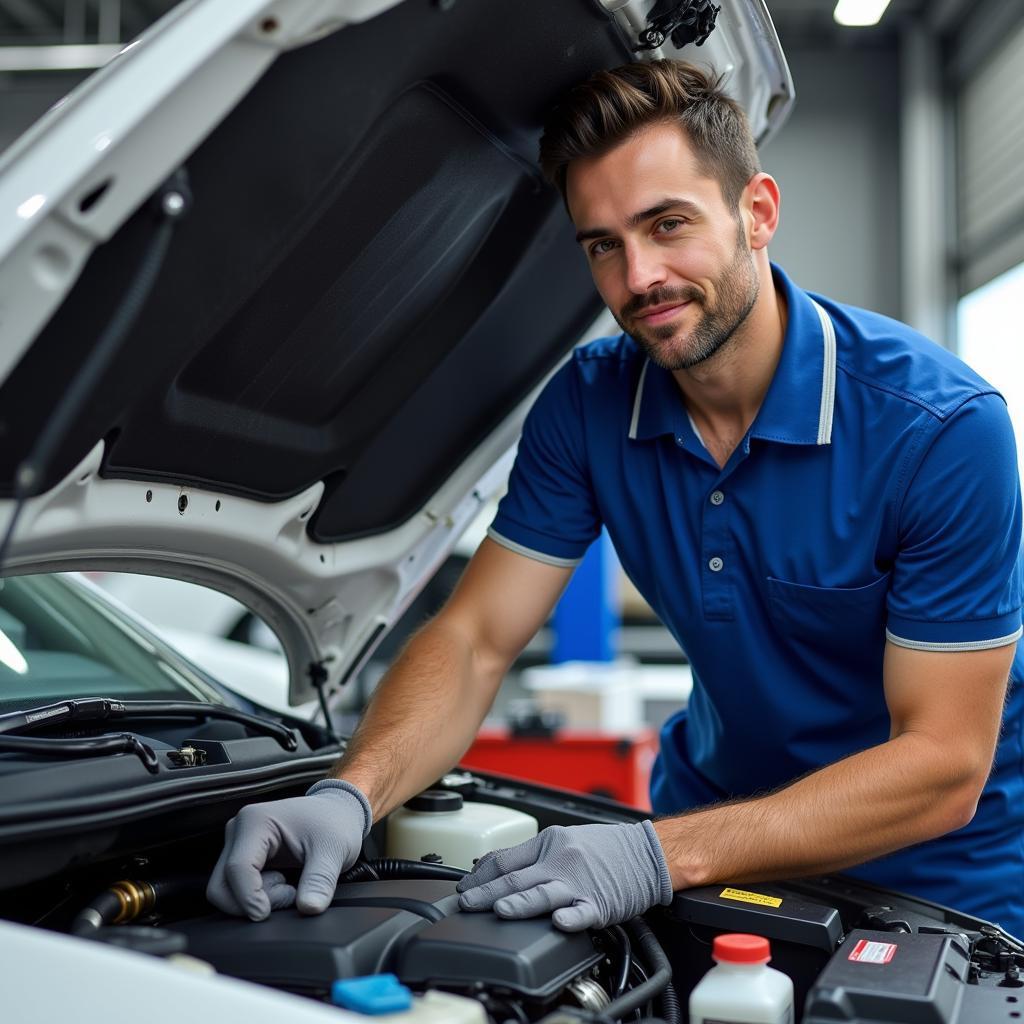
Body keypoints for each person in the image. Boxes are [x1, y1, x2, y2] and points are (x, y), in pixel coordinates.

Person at [207, 60, 1024, 936]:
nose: (639, 279)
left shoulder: (940, 430)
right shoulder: (590, 404)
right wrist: (351, 793)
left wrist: (655, 855)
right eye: (603, 244)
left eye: (668, 225)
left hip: (937, 885)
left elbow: (943, 763)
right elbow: (477, 639)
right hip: (708, 839)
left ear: (758, 212)